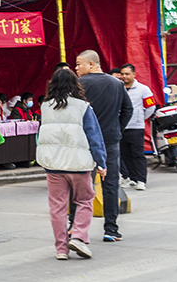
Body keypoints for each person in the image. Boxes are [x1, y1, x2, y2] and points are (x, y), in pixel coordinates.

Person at [37, 68, 108, 260]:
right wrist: (101, 162)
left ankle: (61, 249)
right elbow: (94, 135)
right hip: (78, 164)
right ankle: (77, 236)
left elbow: (40, 136)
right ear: (75, 84)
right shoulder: (82, 107)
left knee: (57, 207)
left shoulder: (45, 106)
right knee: (85, 201)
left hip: (53, 165)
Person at [76, 50, 132, 242]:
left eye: (78, 64)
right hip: (110, 140)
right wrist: (117, 128)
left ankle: (74, 229)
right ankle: (111, 229)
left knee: (80, 185)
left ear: (91, 64)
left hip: (83, 141)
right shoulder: (117, 84)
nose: (76, 69)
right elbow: (128, 109)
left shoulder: (79, 85)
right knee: (110, 184)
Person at [118, 64, 156, 189]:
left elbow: (151, 106)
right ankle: (132, 178)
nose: (124, 76)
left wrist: (141, 118)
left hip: (136, 127)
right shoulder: (118, 88)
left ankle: (141, 180)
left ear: (134, 74)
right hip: (122, 127)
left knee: (138, 154)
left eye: (127, 74)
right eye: (122, 74)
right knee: (125, 154)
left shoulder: (143, 89)